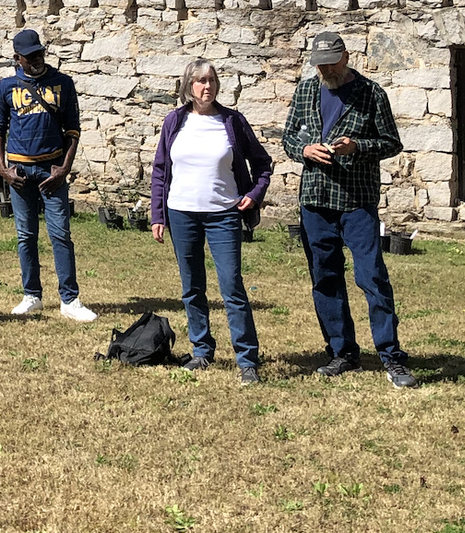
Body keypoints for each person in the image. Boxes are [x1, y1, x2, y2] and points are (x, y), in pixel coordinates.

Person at [280, 31, 415, 388]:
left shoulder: (372, 94)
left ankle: (391, 357)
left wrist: (357, 147)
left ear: (346, 57)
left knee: (371, 277)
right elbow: (289, 137)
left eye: (330, 62)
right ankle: (342, 352)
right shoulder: (306, 90)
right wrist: (304, 150)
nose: (325, 69)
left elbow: (391, 143)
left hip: (357, 201)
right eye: (319, 64)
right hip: (315, 200)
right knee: (325, 279)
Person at [149, 58, 274, 384]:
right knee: (192, 288)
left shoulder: (232, 121)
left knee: (232, 287)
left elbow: (262, 163)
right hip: (181, 213)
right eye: (201, 81)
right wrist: (158, 215)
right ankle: (201, 351)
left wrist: (255, 194)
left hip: (224, 215)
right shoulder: (174, 122)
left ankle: (247, 359)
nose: (207, 86)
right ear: (189, 86)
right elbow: (161, 171)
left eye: (212, 80)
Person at [0, 28, 97, 322]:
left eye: (40, 53)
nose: (37, 59)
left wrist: (64, 168)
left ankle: (70, 299)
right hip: (19, 171)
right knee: (26, 236)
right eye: (30, 56)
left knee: (60, 234)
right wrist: (3, 169)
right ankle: (31, 295)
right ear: (17, 58)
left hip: (52, 170)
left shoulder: (62, 83)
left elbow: (73, 130)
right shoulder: (7, 87)